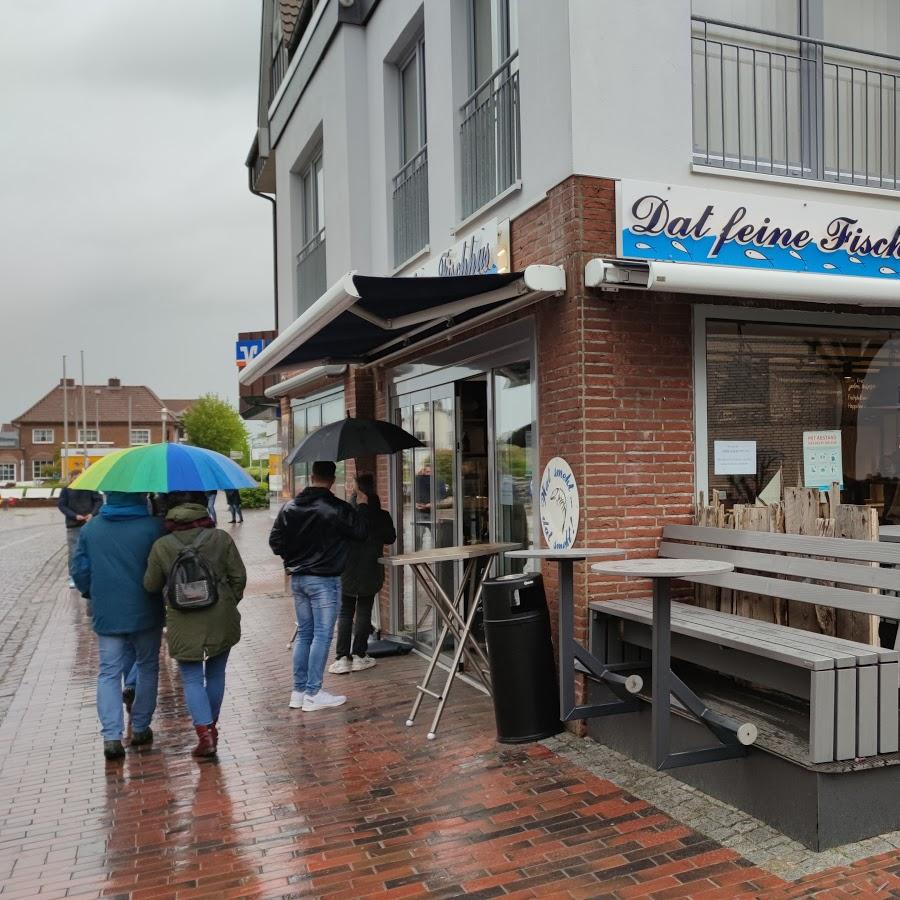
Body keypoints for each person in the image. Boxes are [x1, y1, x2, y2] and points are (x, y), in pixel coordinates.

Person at [143, 492, 247, 759]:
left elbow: (151, 584)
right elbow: (239, 576)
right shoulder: (220, 538)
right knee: (216, 674)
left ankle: (205, 735)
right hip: (220, 616)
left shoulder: (162, 545)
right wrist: (227, 600)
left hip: (182, 618)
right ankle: (211, 729)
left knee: (191, 677)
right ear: (204, 509)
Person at [71, 492, 164, 761]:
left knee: (109, 672)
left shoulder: (92, 528)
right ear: (140, 496)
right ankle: (140, 726)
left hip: (107, 610)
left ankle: (111, 737)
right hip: (146, 608)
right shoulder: (153, 527)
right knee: (147, 666)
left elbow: (80, 570)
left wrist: (93, 592)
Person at [269, 461, 367, 712]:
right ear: (332, 480)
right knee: (322, 635)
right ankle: (313, 692)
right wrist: (359, 506)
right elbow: (360, 533)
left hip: (298, 579)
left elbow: (275, 542)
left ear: (311, 477)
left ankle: (299, 692)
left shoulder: (289, 507)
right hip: (324, 579)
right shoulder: (337, 508)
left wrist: (293, 557)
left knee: (305, 634)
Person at [329, 474, 396, 674]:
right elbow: (390, 538)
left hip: (346, 568)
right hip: (370, 568)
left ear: (355, 491)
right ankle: (359, 654)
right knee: (365, 609)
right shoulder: (381, 515)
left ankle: (342, 657)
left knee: (346, 611)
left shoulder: (345, 514)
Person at [58, 473, 102, 588]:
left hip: (90, 523)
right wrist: (74, 515)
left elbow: (99, 501)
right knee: (74, 551)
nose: (77, 479)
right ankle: (73, 576)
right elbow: (62, 505)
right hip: (73, 525)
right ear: (71, 478)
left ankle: (90, 574)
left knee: (91, 549)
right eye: (75, 477)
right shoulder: (66, 490)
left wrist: (92, 514)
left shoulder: (90, 487)